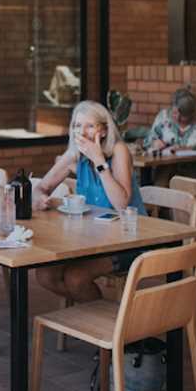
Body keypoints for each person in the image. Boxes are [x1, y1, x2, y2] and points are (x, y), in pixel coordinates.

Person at [33, 100, 146, 303]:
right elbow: (41, 187)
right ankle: (96, 317)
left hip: (130, 240)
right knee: (45, 275)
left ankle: (111, 328)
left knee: (76, 278)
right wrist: (40, 198)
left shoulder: (118, 151)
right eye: (77, 125)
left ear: (102, 131)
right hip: (91, 240)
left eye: (89, 126)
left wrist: (99, 161)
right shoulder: (75, 154)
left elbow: (121, 204)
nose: (82, 132)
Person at [143, 86, 196, 155]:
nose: (177, 118)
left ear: (192, 113)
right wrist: (154, 143)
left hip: (194, 170)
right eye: (174, 113)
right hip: (164, 168)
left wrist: (184, 149)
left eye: (183, 116)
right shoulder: (163, 117)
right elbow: (147, 142)